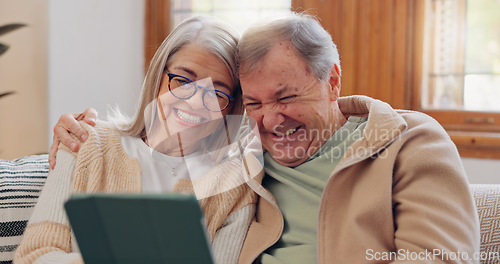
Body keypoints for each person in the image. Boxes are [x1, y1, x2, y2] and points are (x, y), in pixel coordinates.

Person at [51, 13, 480, 264]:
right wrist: (88, 128)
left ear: (332, 81)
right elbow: (165, 136)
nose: (271, 120)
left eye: (287, 96)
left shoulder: (409, 143)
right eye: (252, 103)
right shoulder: (237, 154)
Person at [15, 16, 264, 264]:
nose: (195, 101)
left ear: (229, 108)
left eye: (216, 93)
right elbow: (33, 256)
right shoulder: (84, 142)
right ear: (158, 77)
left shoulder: (234, 185)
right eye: (183, 80)